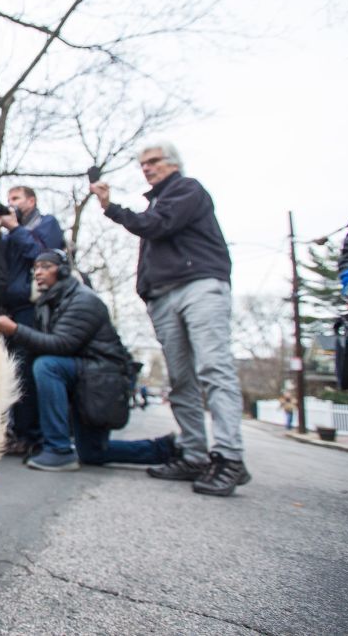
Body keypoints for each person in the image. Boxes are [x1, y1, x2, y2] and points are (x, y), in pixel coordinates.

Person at [91, 143, 250, 496]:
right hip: (163, 296)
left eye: (153, 162)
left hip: (199, 286)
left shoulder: (186, 190)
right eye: (142, 164)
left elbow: (156, 226)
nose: (146, 168)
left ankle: (229, 456)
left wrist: (110, 208)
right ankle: (194, 454)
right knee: (181, 380)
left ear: (173, 163)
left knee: (213, 368)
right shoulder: (157, 202)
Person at [0, 250, 176, 471]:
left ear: (64, 270)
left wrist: (16, 330)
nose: (38, 272)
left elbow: (62, 344)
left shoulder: (84, 300)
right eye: (35, 268)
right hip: (84, 377)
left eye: (45, 266)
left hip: (102, 379)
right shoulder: (48, 303)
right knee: (92, 452)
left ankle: (58, 449)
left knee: (47, 366)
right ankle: (163, 450)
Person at [0, 186, 65, 458]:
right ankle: (12, 431)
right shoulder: (12, 232)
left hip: (31, 309)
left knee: (26, 368)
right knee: (9, 370)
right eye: (9, 200)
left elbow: (44, 257)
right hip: (7, 308)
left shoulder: (46, 224)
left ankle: (29, 434)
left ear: (31, 201)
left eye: (16, 199)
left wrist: (16, 228)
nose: (11, 205)